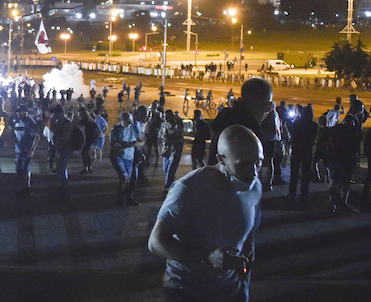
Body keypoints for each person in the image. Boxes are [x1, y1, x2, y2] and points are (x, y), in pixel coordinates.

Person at [148, 125, 263, 302]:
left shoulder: (254, 187)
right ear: (221, 159)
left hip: (230, 291)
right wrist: (206, 258)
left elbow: (248, 240)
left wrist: (244, 284)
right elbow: (156, 242)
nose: (254, 173)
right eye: (244, 165)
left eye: (259, 162)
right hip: (185, 292)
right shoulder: (189, 189)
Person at [110, 111, 142, 206]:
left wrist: (138, 145)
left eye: (131, 121)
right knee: (124, 177)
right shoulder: (115, 130)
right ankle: (120, 200)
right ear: (122, 120)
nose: (130, 123)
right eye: (128, 121)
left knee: (128, 180)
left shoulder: (134, 128)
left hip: (129, 157)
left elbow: (141, 141)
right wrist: (128, 144)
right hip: (118, 157)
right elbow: (113, 146)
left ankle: (125, 198)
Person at [288, 105, 318, 202]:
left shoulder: (296, 123)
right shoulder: (314, 125)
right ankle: (304, 194)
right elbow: (314, 138)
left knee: (294, 173)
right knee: (306, 174)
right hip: (307, 150)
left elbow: (292, 135)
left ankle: (292, 193)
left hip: (296, 150)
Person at [10, 105, 38, 195]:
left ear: (25, 112)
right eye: (17, 113)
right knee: (19, 169)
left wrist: (32, 150)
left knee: (25, 169)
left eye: (20, 113)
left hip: (27, 150)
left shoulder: (30, 123)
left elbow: (37, 137)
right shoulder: (17, 120)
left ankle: (26, 189)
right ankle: (20, 188)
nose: (18, 114)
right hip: (19, 149)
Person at [50, 104, 73, 200]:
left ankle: (65, 194)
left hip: (65, 150)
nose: (53, 115)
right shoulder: (60, 122)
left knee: (61, 171)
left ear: (59, 113)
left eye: (54, 113)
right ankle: (63, 191)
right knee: (61, 171)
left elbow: (63, 138)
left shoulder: (66, 123)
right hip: (61, 150)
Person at [159, 109, 184, 189]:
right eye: (164, 117)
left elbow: (179, 140)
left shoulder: (177, 127)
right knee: (166, 169)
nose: (166, 119)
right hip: (166, 150)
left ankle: (168, 187)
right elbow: (161, 134)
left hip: (175, 151)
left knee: (170, 171)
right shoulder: (164, 125)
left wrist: (169, 139)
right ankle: (172, 182)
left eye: (167, 117)